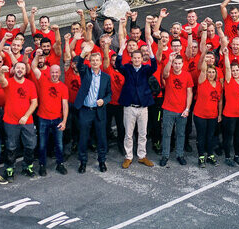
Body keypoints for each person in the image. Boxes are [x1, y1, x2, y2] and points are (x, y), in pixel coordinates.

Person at [72, 43, 112, 173]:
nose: (95, 62)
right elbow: (79, 64)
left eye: (97, 60)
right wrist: (84, 53)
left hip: (99, 111)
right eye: (93, 60)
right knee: (83, 138)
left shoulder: (106, 77)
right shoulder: (86, 73)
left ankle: (102, 161)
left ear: (101, 62)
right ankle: (83, 162)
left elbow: (109, 94)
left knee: (101, 138)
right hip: (86, 111)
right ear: (90, 61)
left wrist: (104, 101)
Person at [116, 41, 157, 169]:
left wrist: (150, 52)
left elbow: (154, 67)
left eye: (139, 58)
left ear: (141, 59)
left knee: (142, 133)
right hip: (129, 107)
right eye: (134, 58)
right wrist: (121, 50)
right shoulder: (127, 69)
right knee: (128, 134)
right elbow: (117, 64)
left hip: (143, 107)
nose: (137, 60)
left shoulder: (146, 69)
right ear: (132, 59)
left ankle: (142, 156)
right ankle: (128, 157)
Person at [0, 59, 38, 178]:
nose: (20, 70)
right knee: (11, 147)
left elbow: (34, 103)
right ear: (14, 70)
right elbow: (1, 81)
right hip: (10, 121)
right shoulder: (8, 82)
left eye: (22, 68)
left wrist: (26, 116)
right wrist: (1, 72)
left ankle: (27, 167)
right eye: (17, 68)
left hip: (27, 121)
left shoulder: (30, 84)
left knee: (30, 145)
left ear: (25, 71)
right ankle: (9, 169)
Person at [31, 56, 69, 177]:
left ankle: (60, 164)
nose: (54, 74)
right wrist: (37, 54)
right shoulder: (43, 80)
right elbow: (33, 67)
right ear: (49, 72)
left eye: (57, 72)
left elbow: (65, 105)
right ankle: (42, 165)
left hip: (57, 119)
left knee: (59, 144)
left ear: (60, 73)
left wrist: (64, 121)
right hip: (43, 119)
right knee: (42, 144)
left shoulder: (63, 87)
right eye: (52, 72)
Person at [159, 54, 194, 166]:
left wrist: (187, 109)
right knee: (167, 134)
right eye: (175, 63)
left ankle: (180, 155)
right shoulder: (169, 73)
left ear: (182, 64)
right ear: (173, 64)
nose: (177, 65)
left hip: (181, 110)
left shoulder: (187, 75)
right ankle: (165, 156)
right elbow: (164, 74)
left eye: (179, 63)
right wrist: (169, 61)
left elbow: (190, 93)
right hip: (168, 109)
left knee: (180, 134)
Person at [193, 63, 222, 166]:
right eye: (209, 72)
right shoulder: (202, 81)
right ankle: (201, 157)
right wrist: (205, 58)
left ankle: (210, 155)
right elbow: (203, 70)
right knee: (201, 136)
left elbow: (220, 101)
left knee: (210, 136)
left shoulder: (218, 84)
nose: (211, 74)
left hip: (213, 115)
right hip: (200, 115)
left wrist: (219, 114)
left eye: (213, 72)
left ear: (216, 73)